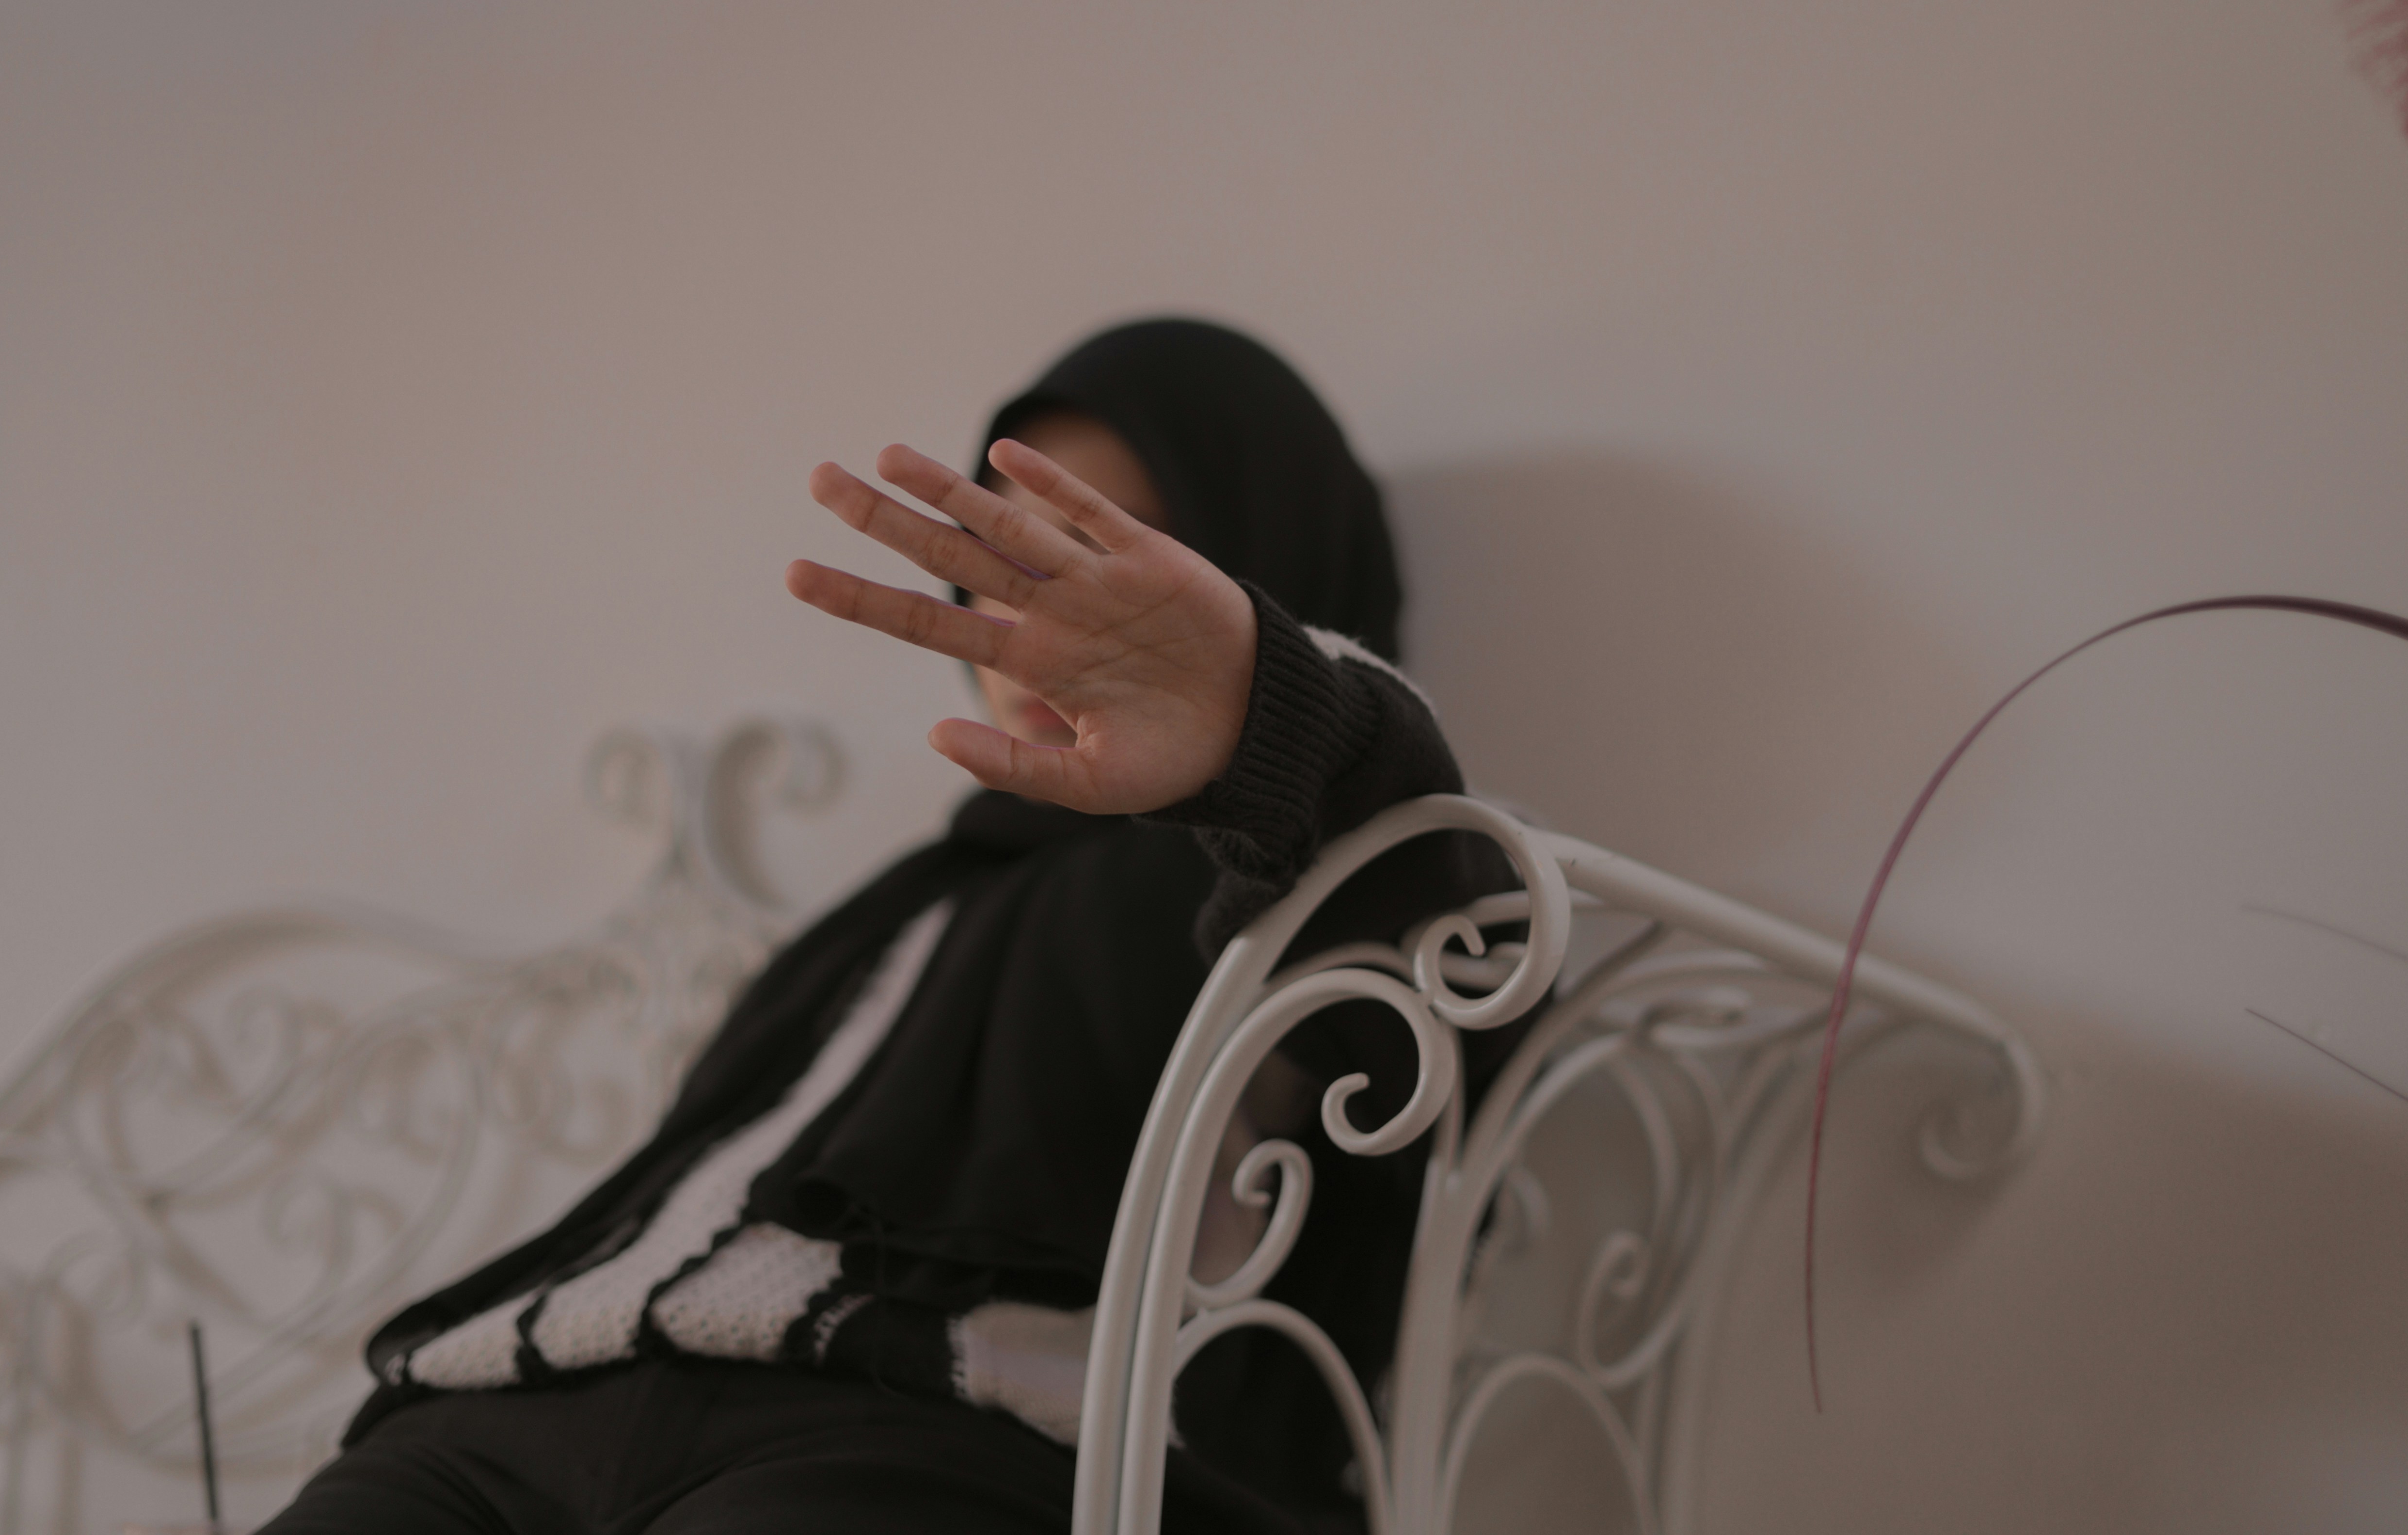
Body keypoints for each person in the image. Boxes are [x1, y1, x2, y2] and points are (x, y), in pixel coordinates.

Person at [257, 320, 1493, 1535]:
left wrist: (1267, 716)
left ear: (1263, 550)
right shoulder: (888, 913)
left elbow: (1434, 987)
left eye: (1104, 551)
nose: (1026, 610)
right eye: (1002, 558)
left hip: (938, 1433)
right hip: (512, 1407)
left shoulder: (1319, 854)